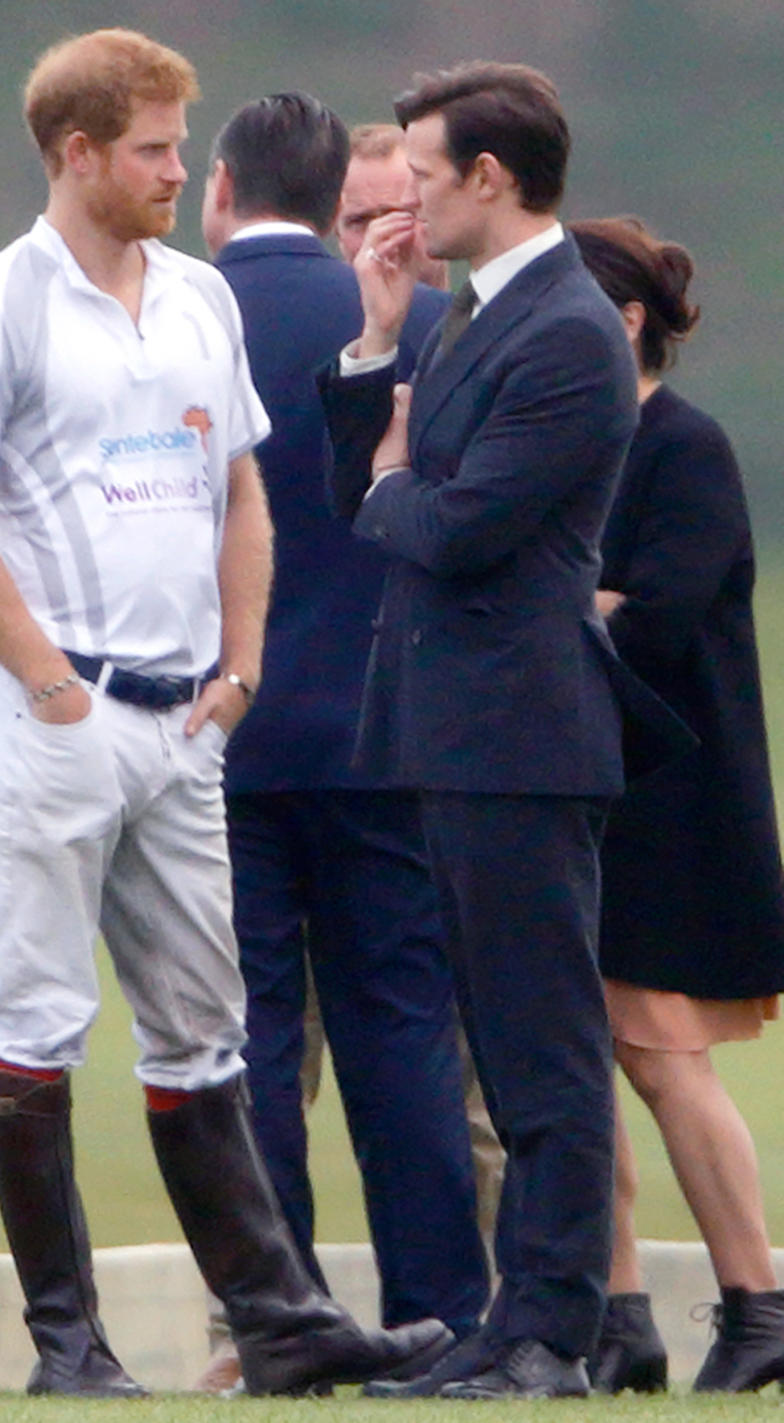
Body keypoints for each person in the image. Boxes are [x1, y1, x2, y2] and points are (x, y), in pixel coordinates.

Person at [0, 28, 449, 1399]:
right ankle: (68, 1345)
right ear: (78, 154)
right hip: (55, 719)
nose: (177, 170)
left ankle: (279, 1319)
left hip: (187, 722)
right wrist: (45, 678)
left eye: (178, 148)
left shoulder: (200, 295)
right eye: (153, 149)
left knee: (207, 1026)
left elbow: (243, 489)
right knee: (35, 1024)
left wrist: (241, 662)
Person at [318, 61, 688, 1400]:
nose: (398, 197)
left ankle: (552, 1331)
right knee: (503, 1031)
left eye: (420, 171)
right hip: (454, 728)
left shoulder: (569, 331)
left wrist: (399, 476)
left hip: (521, 735)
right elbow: (366, 491)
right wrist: (373, 348)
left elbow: (455, 529)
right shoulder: (474, 317)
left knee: (542, 1051)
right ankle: (509, 1318)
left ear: (489, 177)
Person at [198, 91, 485, 1390]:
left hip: (224, 733)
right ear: (338, 202)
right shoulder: (428, 325)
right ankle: (444, 1313)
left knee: (248, 1038)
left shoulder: (173, 319)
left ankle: (282, 1312)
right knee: (405, 1031)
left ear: (219, 190)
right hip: (389, 728)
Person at [570, 216, 784, 1394]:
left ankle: (757, 1298)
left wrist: (567, 606)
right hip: (582, 791)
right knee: (577, 1053)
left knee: (663, 1057)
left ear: (629, 318)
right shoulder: (578, 445)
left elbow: (656, 611)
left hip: (672, 801)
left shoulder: (681, 445)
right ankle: (620, 1313)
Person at [336, 118, 506, 1281]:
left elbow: (448, 527)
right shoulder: (348, 339)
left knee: (476, 1064)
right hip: (320, 735)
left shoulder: (492, 345)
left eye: (402, 211)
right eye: (356, 219)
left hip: (448, 738)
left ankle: (499, 1300)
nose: (381, 237)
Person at [335, 123, 449, 290]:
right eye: (359, 221)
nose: (378, 235)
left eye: (399, 216)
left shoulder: (490, 313)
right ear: (337, 232)